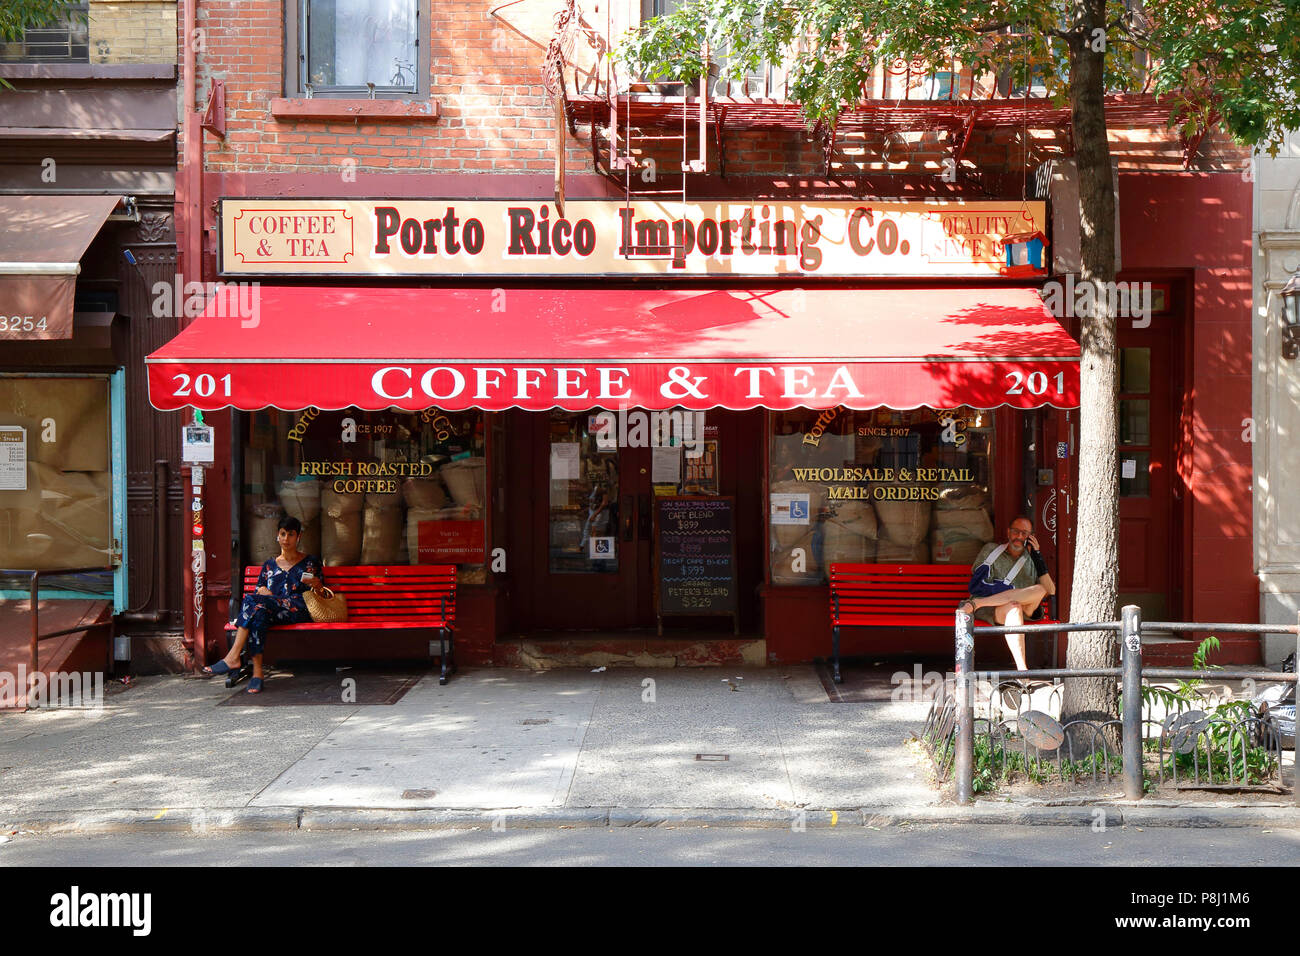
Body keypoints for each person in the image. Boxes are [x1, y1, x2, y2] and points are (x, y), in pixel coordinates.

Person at [203, 515, 323, 693]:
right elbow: (259, 588)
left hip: (298, 609)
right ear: (277, 535)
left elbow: (322, 593)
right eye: (282, 534)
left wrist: (317, 584)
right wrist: (264, 593)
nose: (286, 539)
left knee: (252, 602)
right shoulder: (269, 565)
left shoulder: (310, 562)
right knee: (258, 612)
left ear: (298, 537)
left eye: (291, 534)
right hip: (272, 609)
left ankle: (234, 657)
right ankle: (257, 674)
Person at [958, 515, 1055, 672]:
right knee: (1014, 607)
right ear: (1008, 532)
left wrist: (1037, 556)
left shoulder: (1031, 560)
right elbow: (979, 585)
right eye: (1016, 532)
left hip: (1027, 609)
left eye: (1024, 533)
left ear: (1031, 537)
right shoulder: (991, 550)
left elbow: (1050, 591)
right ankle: (1023, 671)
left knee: (1041, 589)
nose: (1019, 537)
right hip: (995, 608)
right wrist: (1011, 594)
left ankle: (974, 604)